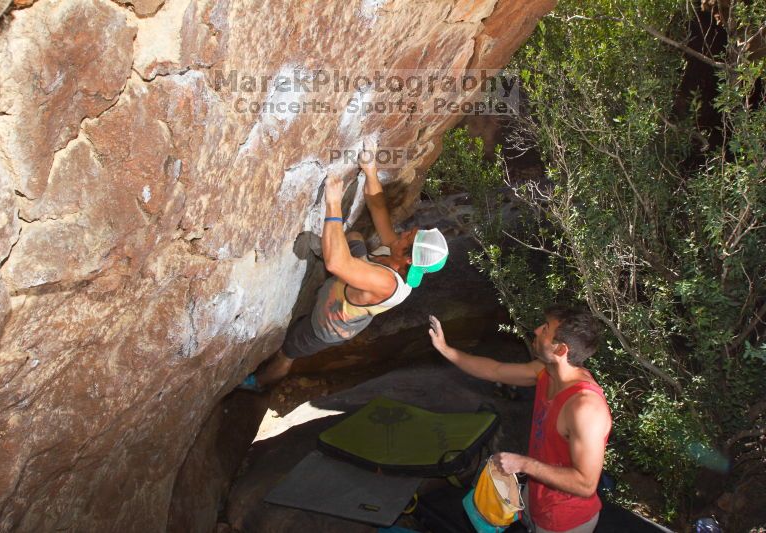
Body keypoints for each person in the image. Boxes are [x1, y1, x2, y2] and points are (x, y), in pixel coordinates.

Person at [239, 140, 449, 391]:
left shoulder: (387, 282)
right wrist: (370, 169)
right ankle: (332, 260)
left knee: (288, 352)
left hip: (327, 324)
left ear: (408, 259)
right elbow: (378, 208)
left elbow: (336, 262)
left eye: (408, 238)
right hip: (345, 287)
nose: (402, 234)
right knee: (356, 238)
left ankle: (258, 384)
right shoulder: (398, 254)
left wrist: (334, 204)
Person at [428, 306, 611, 533]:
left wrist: (524, 464)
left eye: (545, 329)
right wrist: (446, 349)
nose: (536, 330)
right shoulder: (546, 371)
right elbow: (495, 370)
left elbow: (585, 484)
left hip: (564, 521)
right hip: (535, 497)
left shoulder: (585, 408)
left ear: (561, 349)